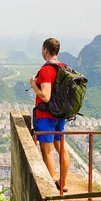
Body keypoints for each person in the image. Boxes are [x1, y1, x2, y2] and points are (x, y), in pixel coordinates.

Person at [30, 38, 70, 192]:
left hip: (46, 116)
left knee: (47, 152)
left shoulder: (47, 70)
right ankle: (63, 183)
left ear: (45, 50)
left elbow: (45, 96)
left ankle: (51, 187)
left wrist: (34, 84)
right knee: (62, 150)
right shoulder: (64, 67)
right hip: (60, 114)